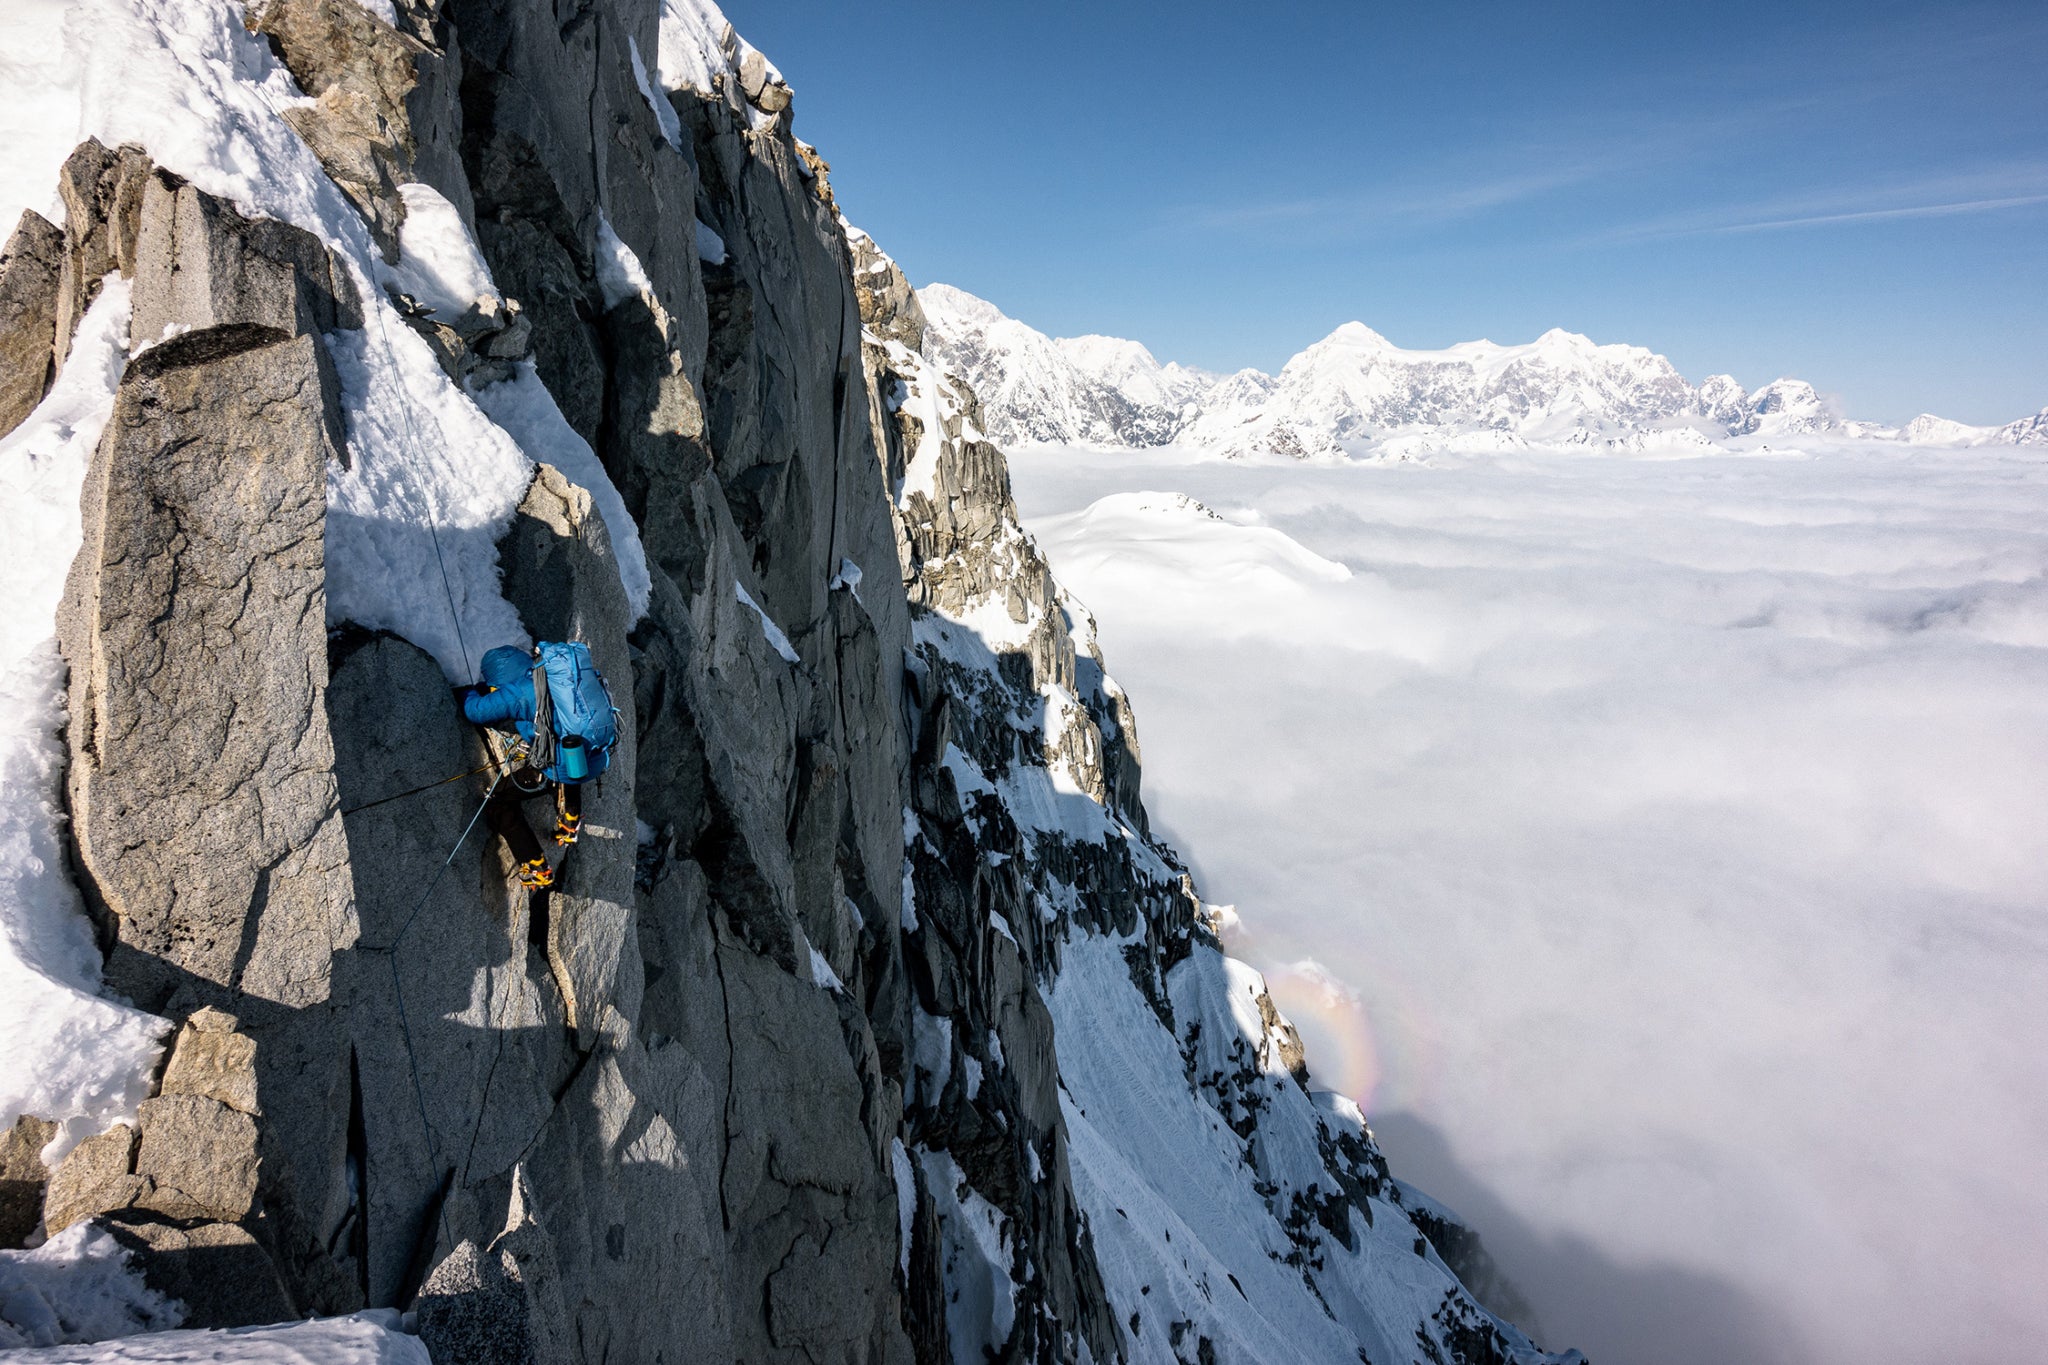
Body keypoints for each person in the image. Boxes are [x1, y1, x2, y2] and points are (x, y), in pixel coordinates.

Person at [461, 645, 585, 890]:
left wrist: (470, 691)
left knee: (498, 802)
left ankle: (536, 864)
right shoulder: (549, 672)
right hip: (584, 753)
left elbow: (474, 711)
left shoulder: (516, 692)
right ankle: (570, 816)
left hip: (552, 763)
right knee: (567, 755)